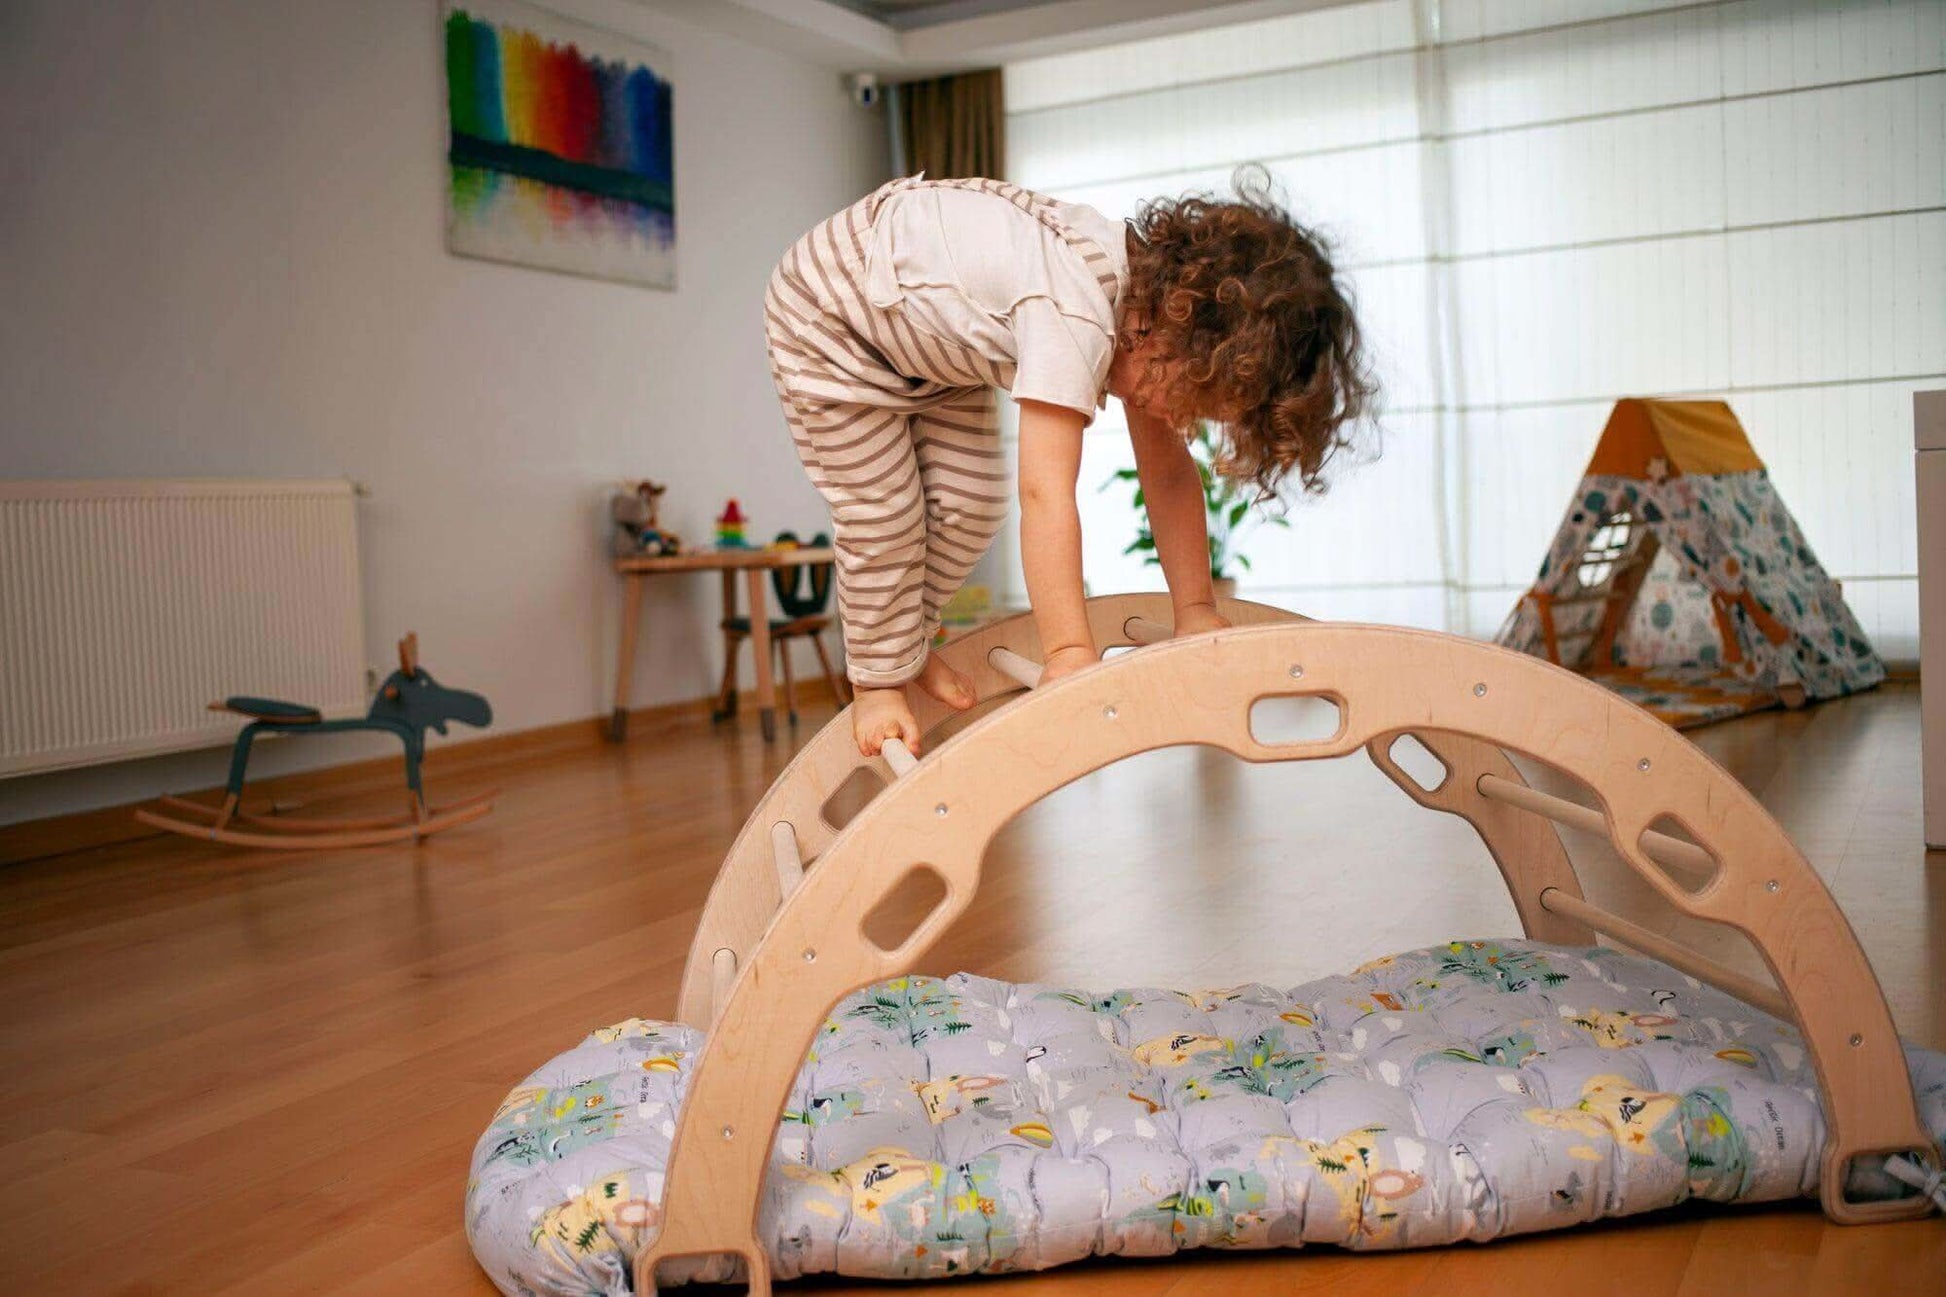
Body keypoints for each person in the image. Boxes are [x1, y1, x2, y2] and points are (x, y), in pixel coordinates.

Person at [763, 167, 1373, 756]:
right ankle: (876, 682)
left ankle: (905, 646)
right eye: (1181, 394)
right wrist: (1068, 652)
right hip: (833, 315)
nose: (1170, 413)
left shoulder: (1144, 317)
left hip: (929, 351)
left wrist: (1195, 610)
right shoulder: (1075, 311)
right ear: (1175, 327)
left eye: (1196, 412)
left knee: (971, 505)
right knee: (886, 513)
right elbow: (1046, 493)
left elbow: (1168, 476)